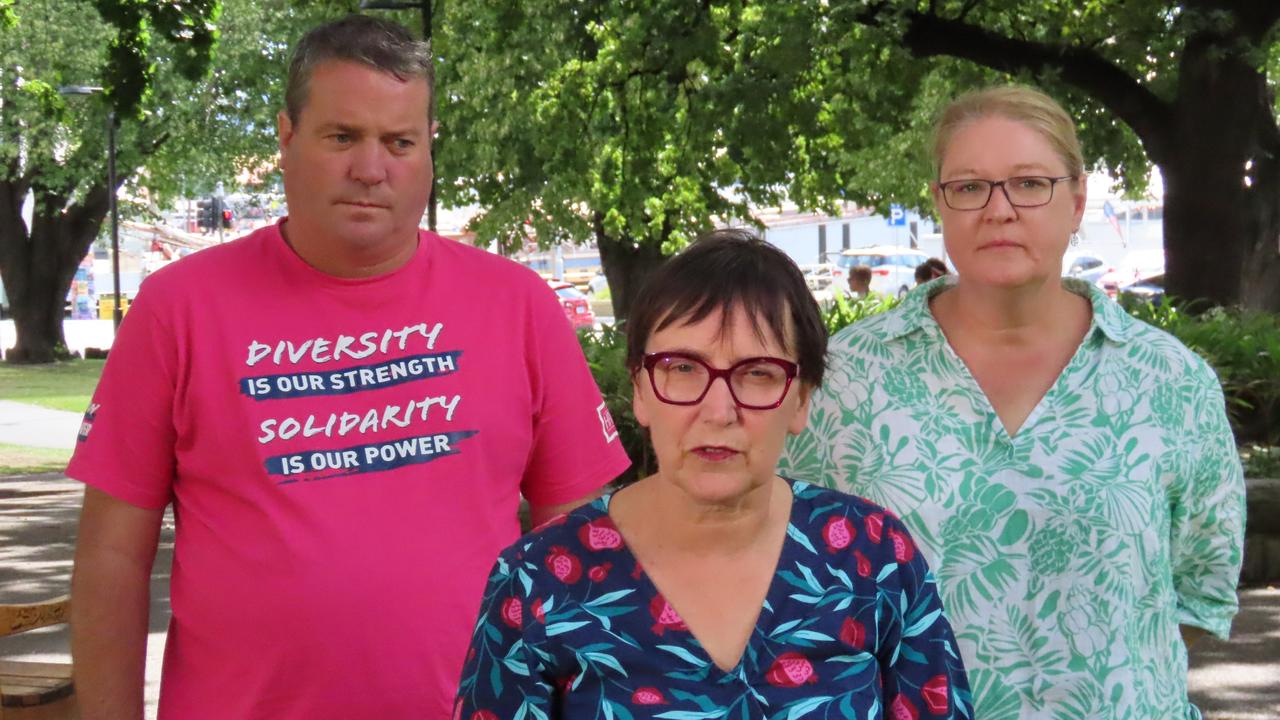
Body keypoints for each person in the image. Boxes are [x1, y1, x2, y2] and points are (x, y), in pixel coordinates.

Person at [66, 15, 629, 720]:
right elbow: (112, 562)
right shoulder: (179, 309)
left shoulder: (518, 307)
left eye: (399, 142)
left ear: (428, 150)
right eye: (342, 137)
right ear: (285, 137)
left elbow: (581, 547)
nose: (372, 168)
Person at [779, 85, 1245, 718]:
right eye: (969, 187)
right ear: (939, 203)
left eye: (1029, 183)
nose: (998, 210)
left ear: (1078, 200)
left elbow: (1195, 587)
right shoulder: (845, 379)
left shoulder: (1170, 382)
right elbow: (795, 577)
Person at [454, 229, 972, 719]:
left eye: (757, 374)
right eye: (682, 368)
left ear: (801, 401)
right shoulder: (539, 580)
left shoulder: (872, 556)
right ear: (639, 390)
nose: (718, 410)